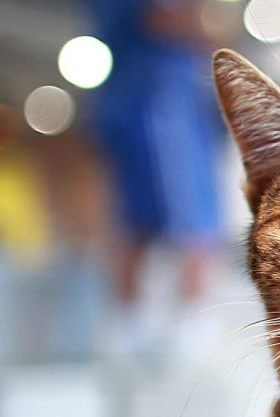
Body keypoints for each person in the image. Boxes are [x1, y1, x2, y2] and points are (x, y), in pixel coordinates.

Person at [88, 0, 223, 359]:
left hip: (145, 97)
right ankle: (188, 326)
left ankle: (136, 325)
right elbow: (161, 20)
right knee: (192, 214)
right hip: (158, 102)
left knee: (141, 216)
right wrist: (207, 29)